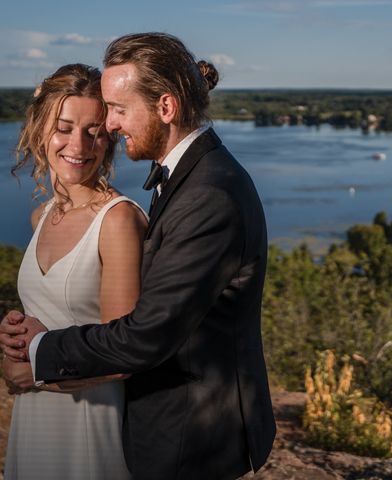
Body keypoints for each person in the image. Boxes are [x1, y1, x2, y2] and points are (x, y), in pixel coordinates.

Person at [1, 33, 276, 480]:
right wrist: (19, 336)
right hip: (110, 419)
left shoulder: (208, 193)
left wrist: (35, 356)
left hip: (185, 435)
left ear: (165, 108)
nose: (108, 126)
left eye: (115, 111)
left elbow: (144, 335)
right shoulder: (181, 178)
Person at [4, 63, 147, 479]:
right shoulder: (41, 216)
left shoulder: (117, 220)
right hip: (36, 418)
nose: (78, 145)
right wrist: (15, 337)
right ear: (39, 130)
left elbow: (124, 353)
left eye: (94, 131)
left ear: (109, 138)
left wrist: (35, 374)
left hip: (91, 421)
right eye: (64, 128)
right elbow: (49, 318)